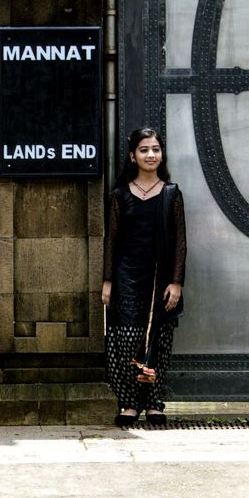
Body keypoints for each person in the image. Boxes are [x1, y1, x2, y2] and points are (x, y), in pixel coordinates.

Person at [101, 127, 186, 427]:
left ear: (162, 154)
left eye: (155, 149)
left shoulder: (172, 193)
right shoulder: (120, 195)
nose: (151, 155)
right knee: (125, 340)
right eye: (144, 150)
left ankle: (153, 402)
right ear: (132, 156)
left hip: (160, 279)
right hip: (126, 276)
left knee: (159, 342)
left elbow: (180, 242)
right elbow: (111, 240)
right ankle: (128, 402)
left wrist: (176, 282)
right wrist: (108, 280)